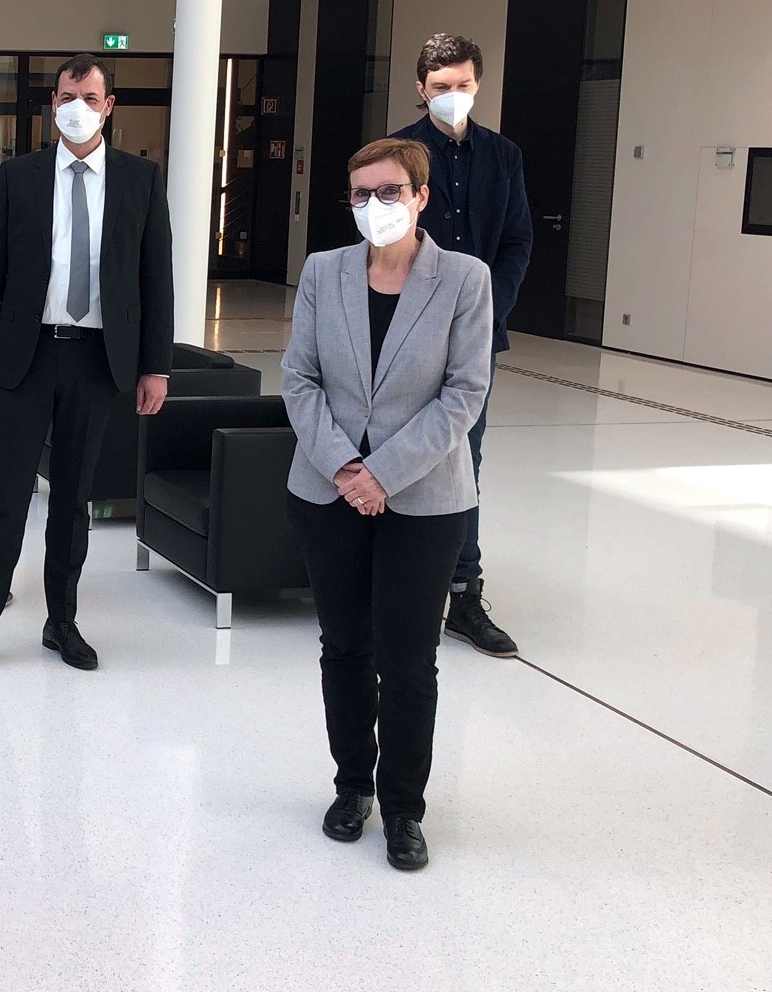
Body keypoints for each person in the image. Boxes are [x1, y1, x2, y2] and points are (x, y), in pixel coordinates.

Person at [281, 138, 493, 872]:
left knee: (408, 660)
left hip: (425, 498)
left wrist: (383, 474)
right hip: (328, 488)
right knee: (344, 647)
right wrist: (346, 466)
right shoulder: (324, 271)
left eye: (391, 191)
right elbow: (299, 379)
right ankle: (352, 786)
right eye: (362, 193)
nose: (376, 205)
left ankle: (404, 807)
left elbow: (464, 393)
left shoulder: (464, 279)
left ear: (422, 196)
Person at [0, 54, 174, 681]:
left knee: (73, 499)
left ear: (108, 106)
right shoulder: (19, 176)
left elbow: (157, 278)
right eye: (67, 96)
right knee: (9, 494)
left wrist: (156, 366)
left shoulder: (140, 179)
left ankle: (61, 621)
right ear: (53, 104)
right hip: (28, 354)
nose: (77, 107)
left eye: (90, 97)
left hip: (99, 358)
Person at [391, 33, 532, 658]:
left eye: (464, 85)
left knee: (462, 457)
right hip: (406, 326)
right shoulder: (397, 154)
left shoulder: (502, 156)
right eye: (442, 86)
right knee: (394, 445)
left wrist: (486, 309)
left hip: (476, 333)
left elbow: (517, 240)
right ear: (421, 89)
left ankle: (462, 593)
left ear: (478, 85)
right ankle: (394, 581)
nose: (454, 95)